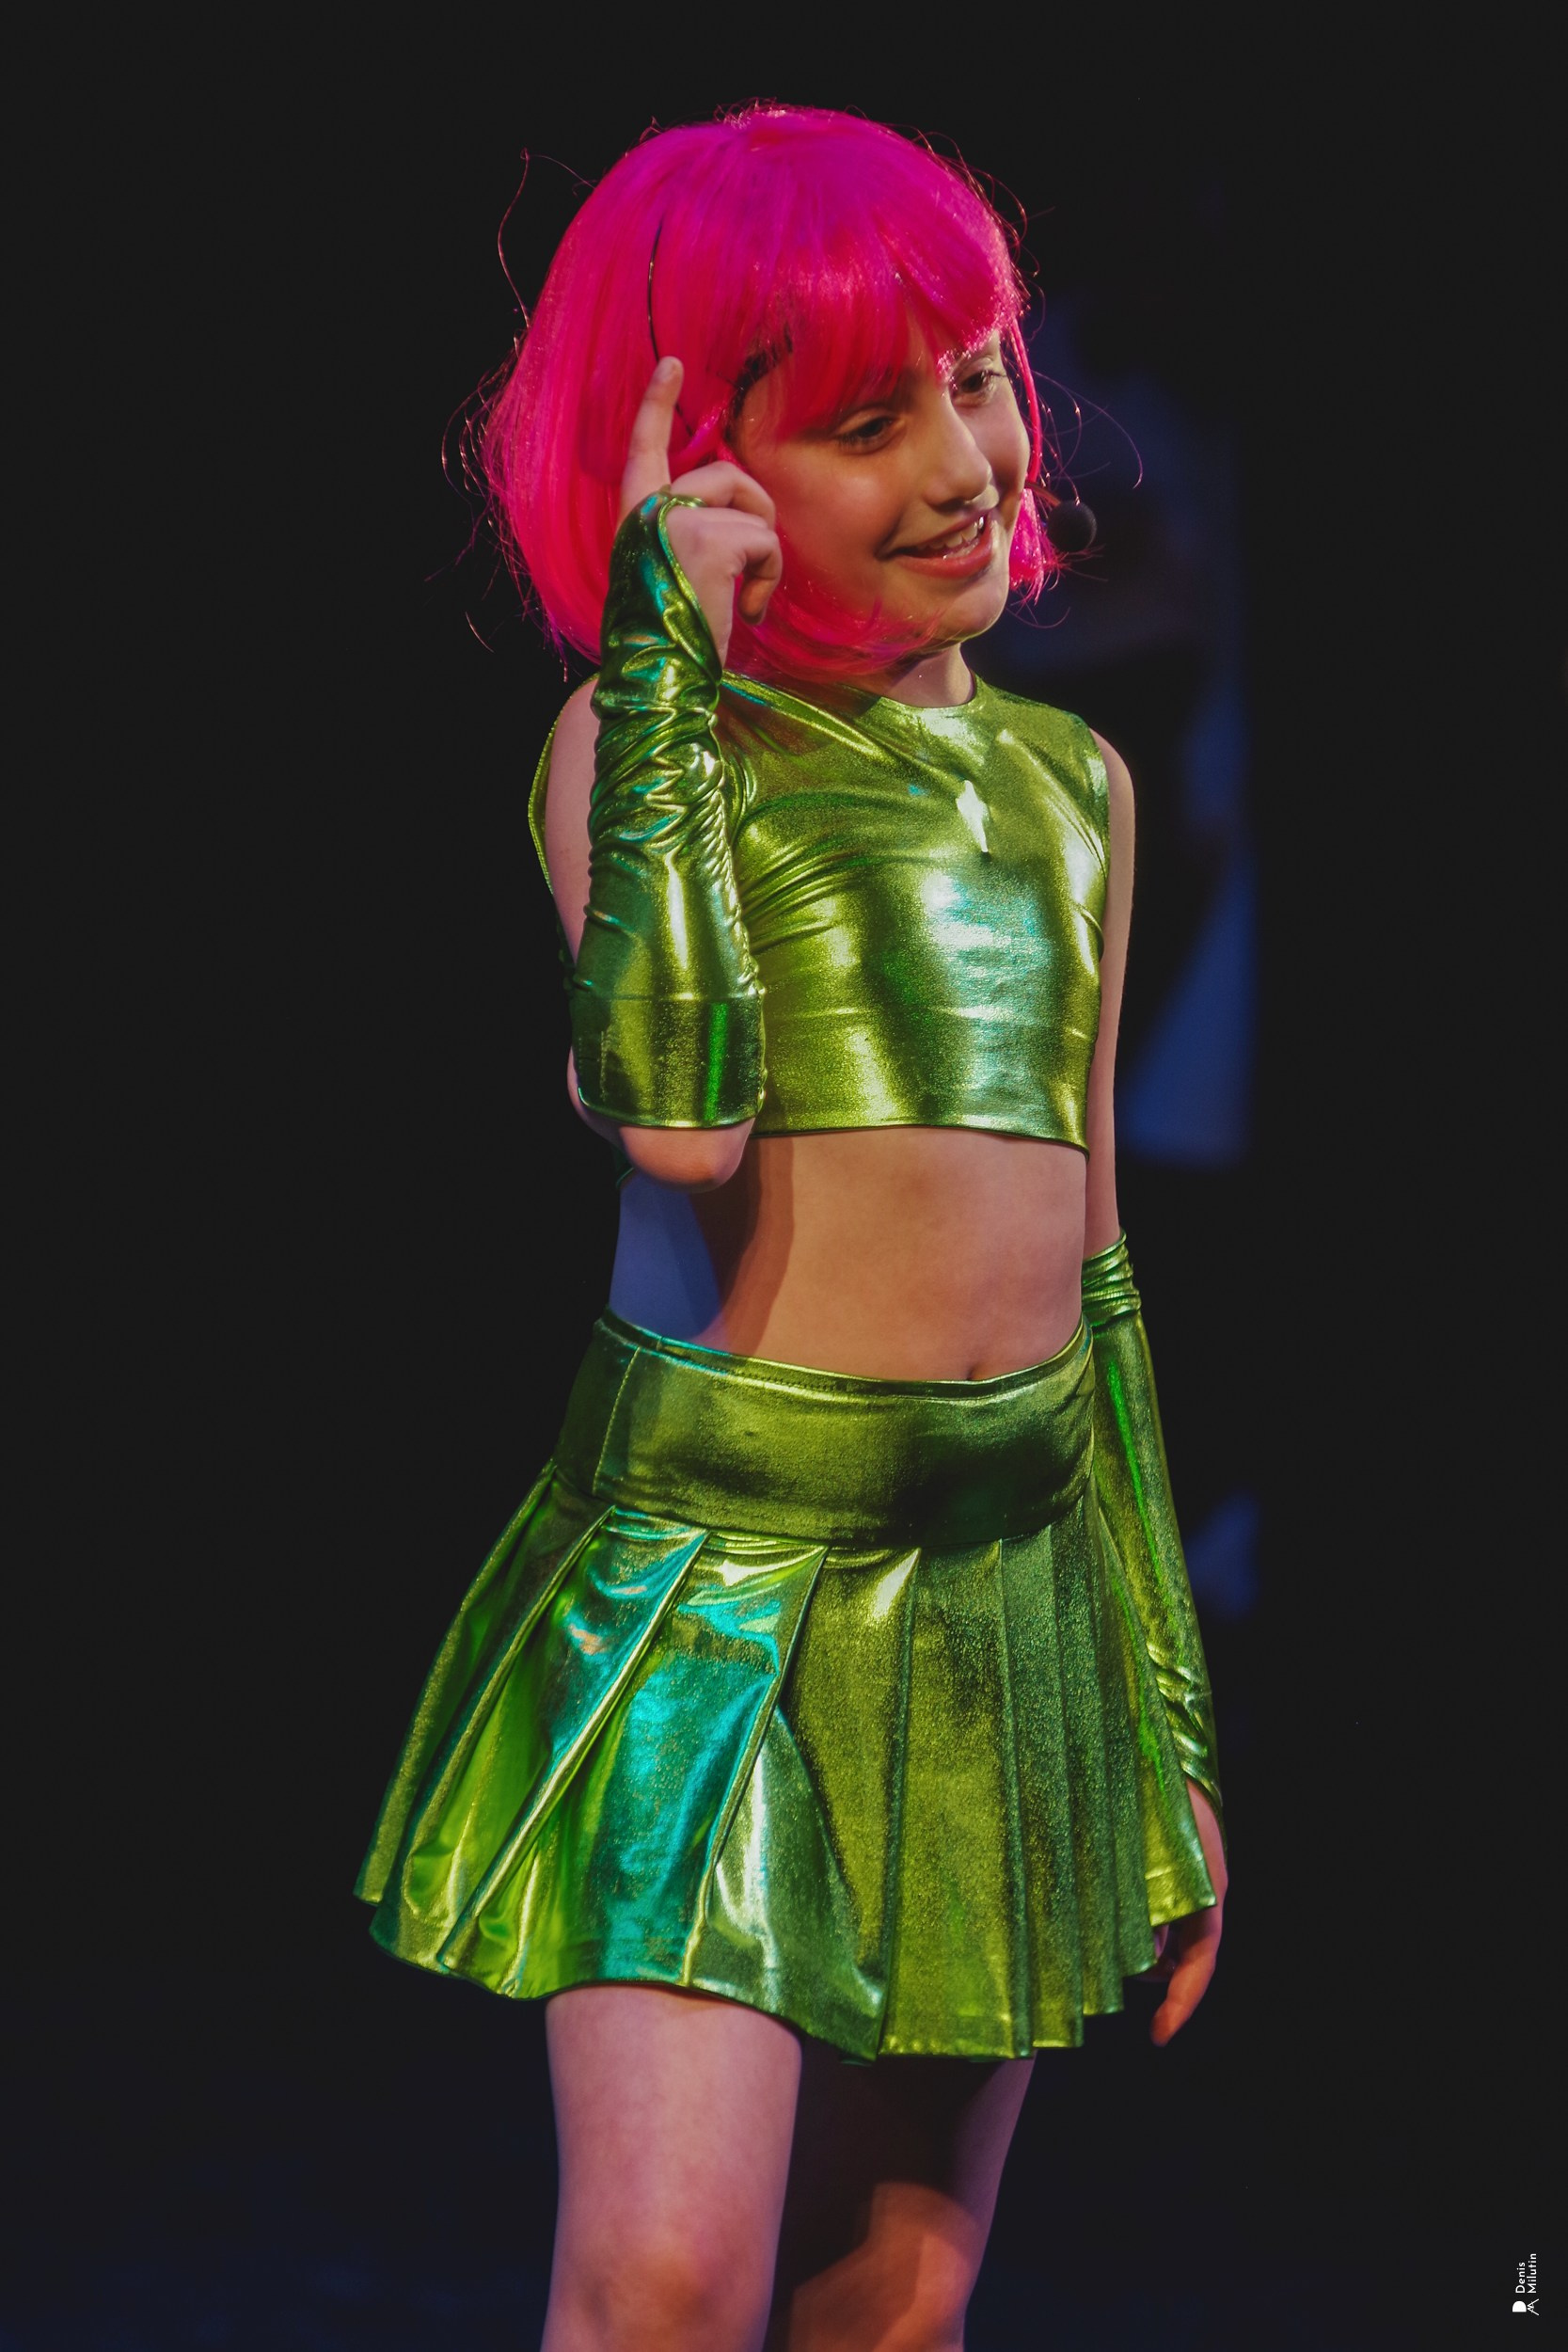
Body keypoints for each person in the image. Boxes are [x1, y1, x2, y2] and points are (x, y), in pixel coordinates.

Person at [356, 104, 1227, 2352]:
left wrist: (1167, 1723)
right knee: (662, 2283)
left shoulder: (1072, 790)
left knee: (893, 2297)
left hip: (1005, 1594)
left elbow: (1096, 1266)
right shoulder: (649, 751)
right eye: (865, 422)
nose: (964, 461)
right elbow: (673, 1119)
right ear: (702, 472)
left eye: (981, 379)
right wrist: (663, 671)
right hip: (720, 1600)